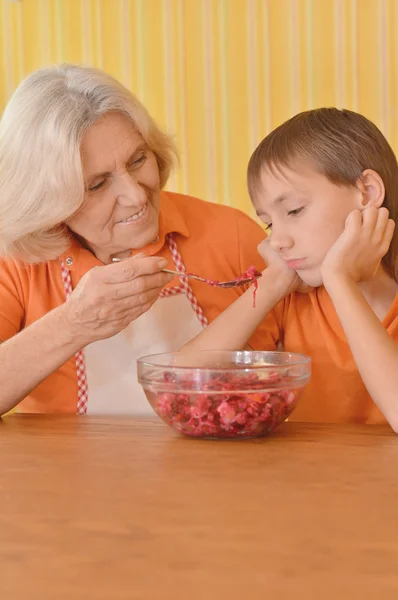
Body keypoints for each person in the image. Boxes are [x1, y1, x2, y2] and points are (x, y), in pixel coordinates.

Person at [0, 64, 268, 416]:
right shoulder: (15, 262)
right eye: (97, 184)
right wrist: (74, 323)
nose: (136, 196)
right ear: (48, 202)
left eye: (138, 159)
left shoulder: (230, 234)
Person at [183, 108, 398, 430]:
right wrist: (271, 284)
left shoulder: (334, 284)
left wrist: (340, 279)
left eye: (294, 210)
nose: (279, 240)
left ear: (367, 192)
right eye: (268, 224)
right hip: (305, 479)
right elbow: (183, 379)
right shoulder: (290, 300)